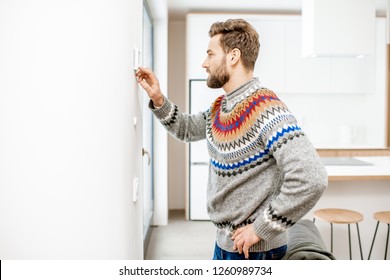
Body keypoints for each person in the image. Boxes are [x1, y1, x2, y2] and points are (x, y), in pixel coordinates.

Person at [136, 18, 327, 260]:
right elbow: (186, 128)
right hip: (226, 244)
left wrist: (260, 228)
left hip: (257, 252)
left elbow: (312, 177)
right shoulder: (221, 107)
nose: (204, 63)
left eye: (210, 54)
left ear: (233, 56)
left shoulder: (266, 109)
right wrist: (158, 99)